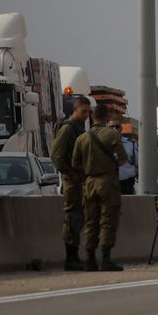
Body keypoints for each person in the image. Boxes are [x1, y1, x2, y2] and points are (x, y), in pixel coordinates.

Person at [71, 101, 130, 271]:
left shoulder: (82, 138)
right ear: (107, 117)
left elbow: (76, 163)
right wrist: (109, 166)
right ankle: (105, 258)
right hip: (107, 183)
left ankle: (90, 259)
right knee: (108, 221)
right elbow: (124, 159)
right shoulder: (112, 136)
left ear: (92, 116)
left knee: (91, 221)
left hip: (89, 183)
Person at [50, 96, 92, 271]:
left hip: (81, 180)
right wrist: (70, 174)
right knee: (72, 217)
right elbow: (56, 156)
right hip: (73, 181)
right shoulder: (68, 129)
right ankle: (71, 257)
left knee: (79, 217)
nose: (86, 115)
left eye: (88, 112)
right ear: (75, 110)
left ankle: (75, 255)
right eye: (83, 111)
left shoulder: (80, 128)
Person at [117, 125, 138, 195]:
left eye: (117, 126)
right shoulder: (105, 143)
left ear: (120, 128)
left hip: (127, 183)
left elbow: (137, 163)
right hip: (111, 183)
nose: (114, 129)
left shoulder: (131, 143)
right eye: (111, 126)